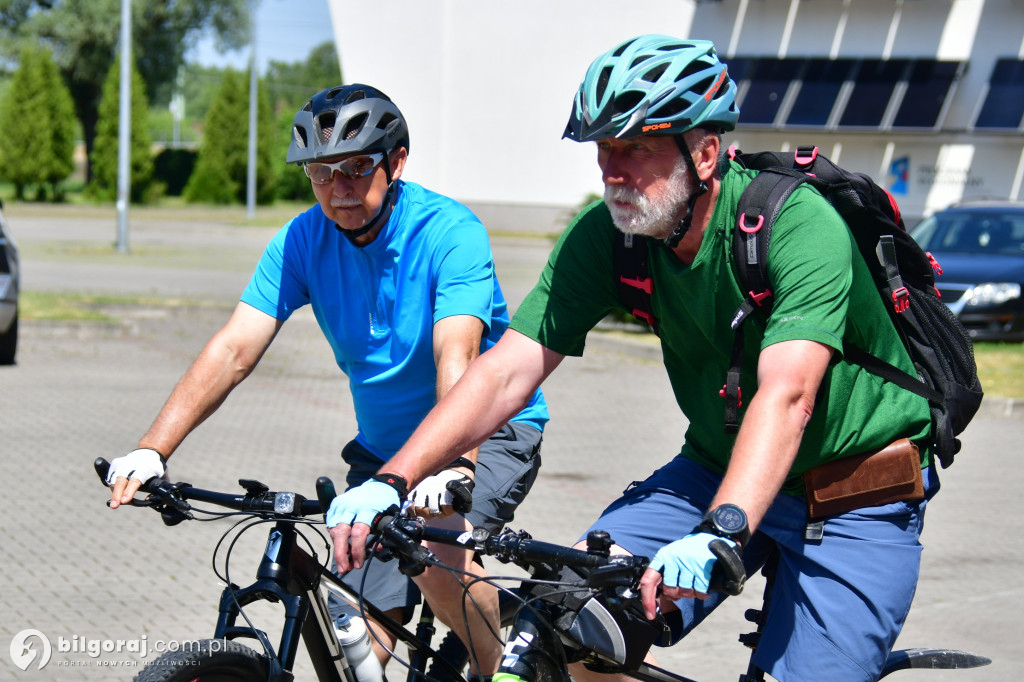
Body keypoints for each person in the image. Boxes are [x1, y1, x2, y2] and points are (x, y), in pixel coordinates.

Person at [324, 37, 940, 682]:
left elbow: (788, 395)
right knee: (574, 627)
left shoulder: (795, 223)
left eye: (636, 148)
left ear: (704, 152)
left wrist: (723, 530)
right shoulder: (611, 236)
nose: (611, 171)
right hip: (716, 467)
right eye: (603, 149)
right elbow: (509, 368)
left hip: (850, 496)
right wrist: (390, 479)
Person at [104, 83, 548, 677]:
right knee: (358, 628)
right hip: (383, 453)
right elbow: (235, 348)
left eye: (357, 168)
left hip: (486, 435)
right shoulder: (301, 240)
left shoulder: (449, 233)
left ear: (397, 163)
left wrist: (453, 465)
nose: (338, 190)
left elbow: (456, 355)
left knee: (439, 547)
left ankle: (508, 669)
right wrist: (152, 448)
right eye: (320, 172)